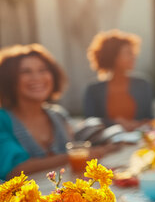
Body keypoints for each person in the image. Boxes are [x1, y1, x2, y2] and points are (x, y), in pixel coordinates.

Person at [0, 44, 111, 180]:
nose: (37, 77)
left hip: (64, 197)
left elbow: (79, 146)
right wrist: (77, 155)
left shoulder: (58, 115)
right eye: (25, 72)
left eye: (43, 70)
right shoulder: (3, 120)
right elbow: (15, 170)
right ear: (9, 80)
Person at [84, 29, 154, 131]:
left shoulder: (143, 84)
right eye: (128, 53)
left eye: (133, 52)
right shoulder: (93, 90)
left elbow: (150, 119)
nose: (133, 57)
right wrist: (115, 123)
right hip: (108, 144)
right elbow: (90, 122)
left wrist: (136, 125)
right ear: (113, 56)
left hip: (139, 140)